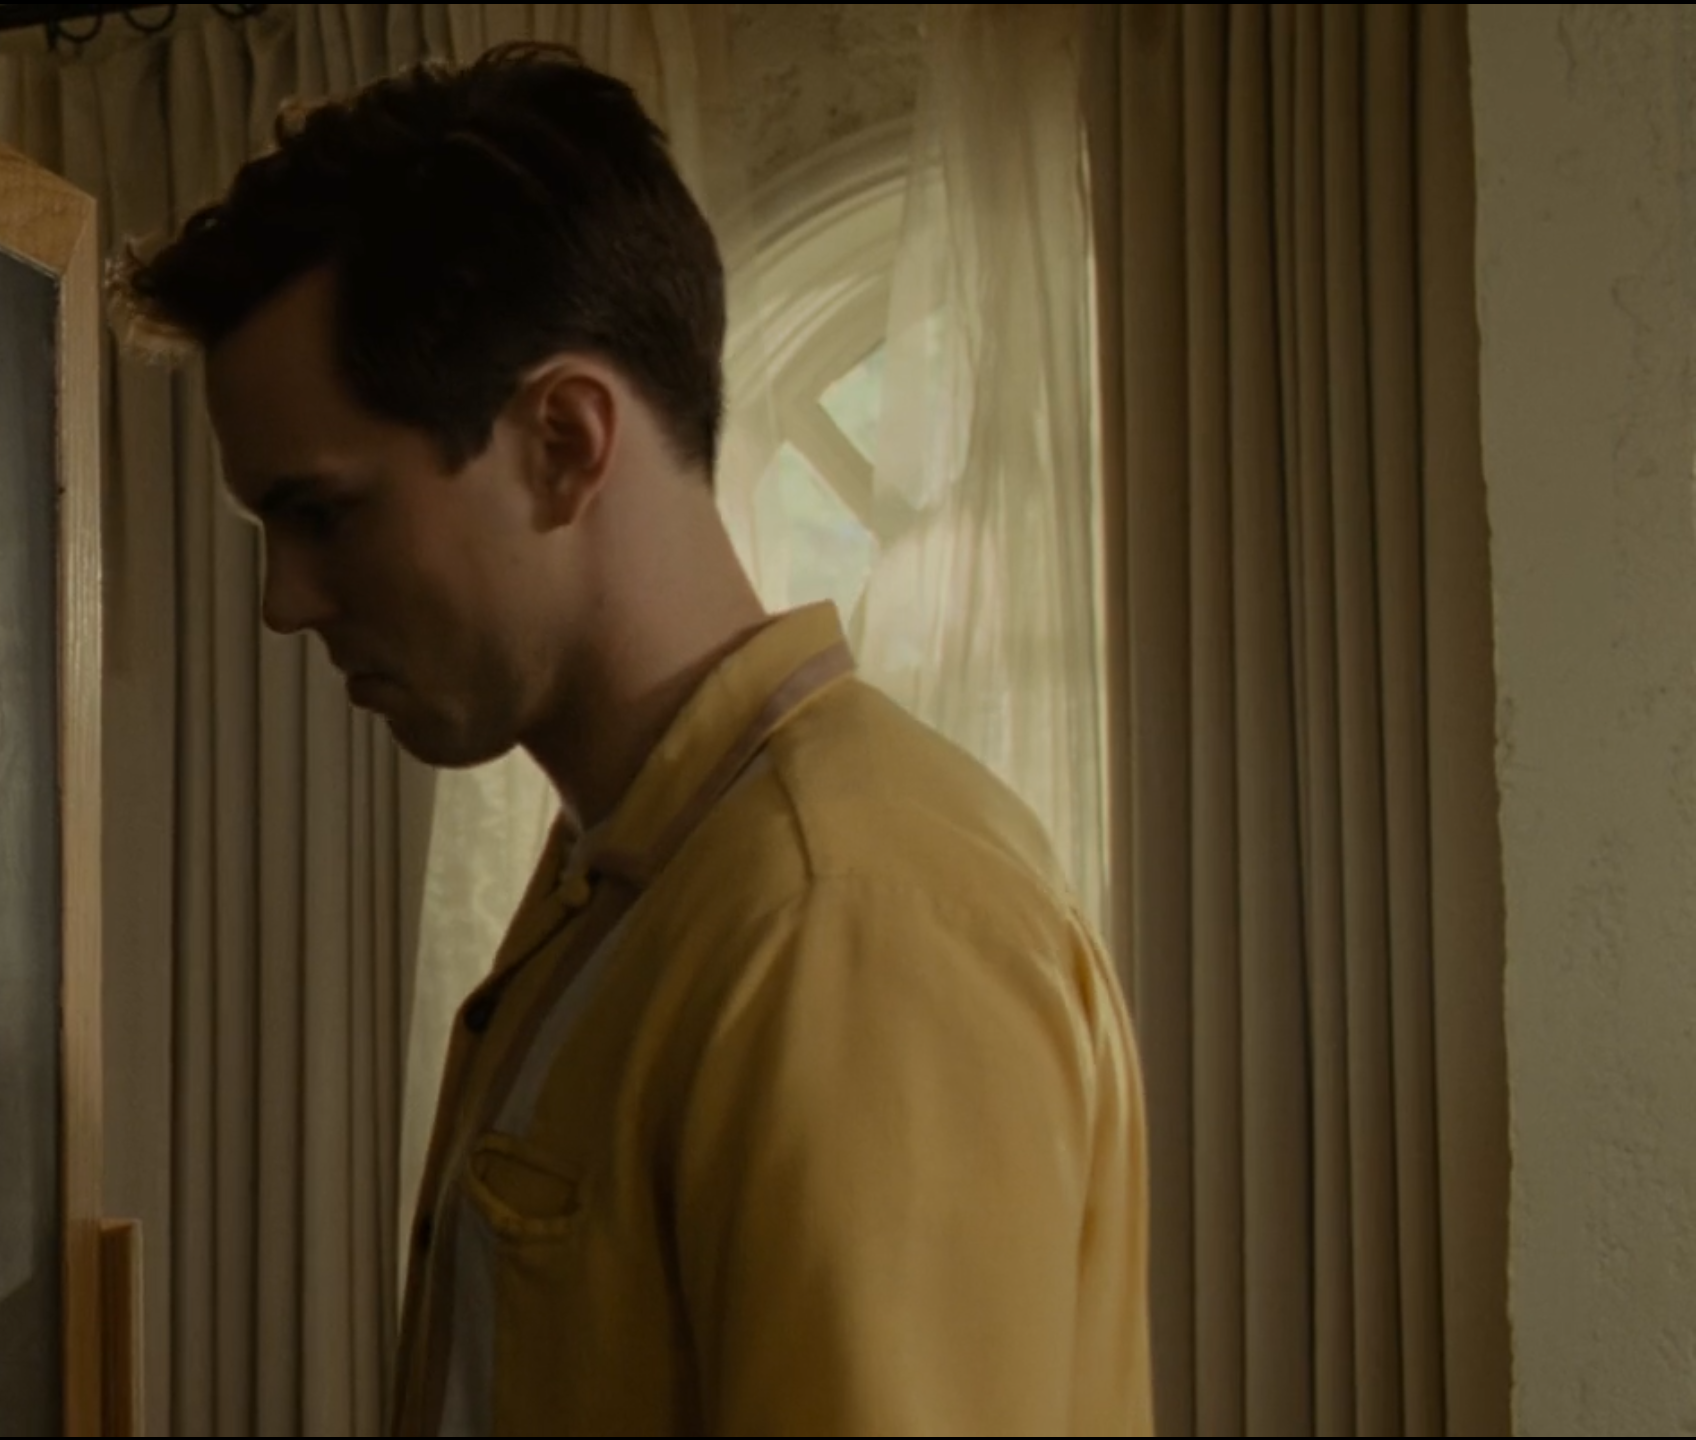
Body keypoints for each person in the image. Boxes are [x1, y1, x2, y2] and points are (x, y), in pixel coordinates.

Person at [113, 41, 1153, 1437]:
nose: (284, 603)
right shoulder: (633, 875)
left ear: (564, 441)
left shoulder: (840, 917)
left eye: (323, 514)